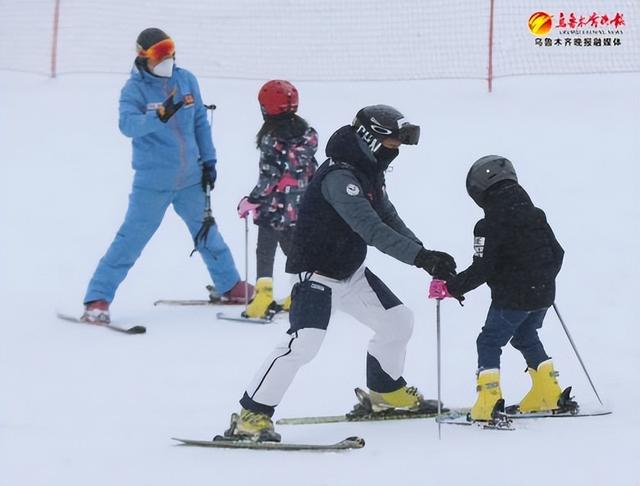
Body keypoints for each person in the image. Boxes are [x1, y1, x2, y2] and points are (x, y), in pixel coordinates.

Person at [224, 105, 457, 441]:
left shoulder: (368, 169)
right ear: (370, 138)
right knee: (303, 344)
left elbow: (388, 216)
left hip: (351, 272)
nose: (398, 149)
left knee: (398, 322)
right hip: (316, 276)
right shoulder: (340, 178)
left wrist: (427, 255)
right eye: (393, 141)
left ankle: (385, 393)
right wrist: (421, 258)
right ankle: (250, 416)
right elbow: (371, 229)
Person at [81, 28, 251, 324]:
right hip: (153, 182)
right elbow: (127, 126)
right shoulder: (133, 91)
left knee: (207, 233)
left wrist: (209, 161)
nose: (167, 58)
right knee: (131, 239)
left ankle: (229, 285)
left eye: (169, 50)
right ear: (143, 58)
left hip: (190, 178)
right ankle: (98, 298)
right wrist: (157, 116)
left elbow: (200, 122)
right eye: (159, 53)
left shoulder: (186, 80)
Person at [429, 155, 574, 421]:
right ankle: (548, 391)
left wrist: (451, 287)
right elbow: (558, 253)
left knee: (489, 341)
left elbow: (483, 268)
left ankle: (488, 401)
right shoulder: (536, 215)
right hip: (542, 295)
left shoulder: (487, 225)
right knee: (525, 336)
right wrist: (541, 280)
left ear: (479, 191)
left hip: (512, 299)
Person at [237, 80, 318, 319]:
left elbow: (271, 176)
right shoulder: (307, 135)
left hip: (274, 208)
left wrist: (251, 200)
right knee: (293, 251)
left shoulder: (272, 139)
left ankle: (262, 298)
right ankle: (301, 292)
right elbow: (311, 170)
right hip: (299, 208)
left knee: (265, 250)